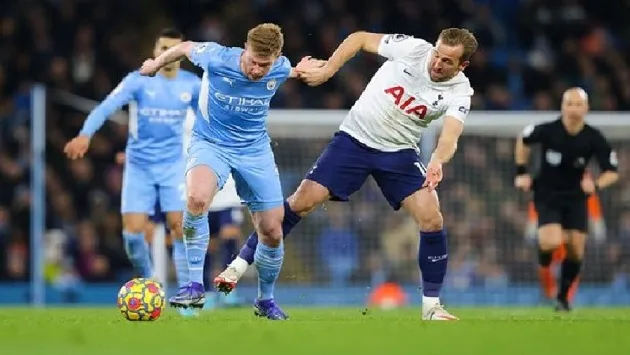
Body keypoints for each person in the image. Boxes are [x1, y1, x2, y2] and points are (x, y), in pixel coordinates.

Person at [215, 28, 478, 321]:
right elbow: (360, 38)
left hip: (399, 153)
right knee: (301, 202)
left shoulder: (460, 91)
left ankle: (431, 307)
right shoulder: (413, 49)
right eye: (437, 55)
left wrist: (438, 160)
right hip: (353, 141)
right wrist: (328, 69)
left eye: (447, 62)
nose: (437, 63)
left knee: (432, 217)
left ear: (462, 66)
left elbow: (450, 137)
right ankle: (237, 266)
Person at [138, 23, 322, 319]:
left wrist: (301, 70)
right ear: (245, 49)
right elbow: (184, 48)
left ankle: (265, 300)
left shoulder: (278, 67)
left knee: (273, 230)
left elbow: (290, 71)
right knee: (197, 199)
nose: (258, 70)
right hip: (210, 144)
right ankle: (195, 286)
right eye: (253, 61)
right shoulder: (216, 57)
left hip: (254, 151)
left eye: (265, 65)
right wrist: (156, 63)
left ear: (276, 57)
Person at [64, 29, 199, 290]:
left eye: (173, 50)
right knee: (132, 234)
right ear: (155, 52)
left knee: (180, 227)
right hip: (139, 167)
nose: (167, 55)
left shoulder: (192, 85)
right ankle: (149, 281)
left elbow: (206, 122)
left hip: (174, 165)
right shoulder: (138, 81)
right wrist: (85, 135)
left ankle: (188, 293)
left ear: (181, 55)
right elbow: (106, 106)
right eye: (163, 48)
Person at [515, 87, 619, 311]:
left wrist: (596, 184)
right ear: (562, 106)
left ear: (586, 108)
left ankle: (562, 298)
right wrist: (521, 171)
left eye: (578, 104)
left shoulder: (593, 137)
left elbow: (612, 170)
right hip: (547, 194)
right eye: (569, 104)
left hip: (576, 198)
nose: (573, 109)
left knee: (575, 250)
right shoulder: (549, 130)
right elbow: (523, 138)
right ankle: (544, 262)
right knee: (551, 242)